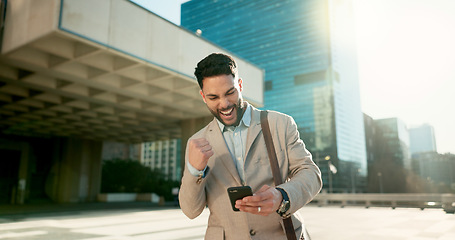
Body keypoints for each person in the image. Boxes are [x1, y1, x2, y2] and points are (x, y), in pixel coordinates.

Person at [179, 53, 322, 240]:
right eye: (213, 97)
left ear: (239, 85)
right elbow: (191, 210)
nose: (224, 104)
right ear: (203, 97)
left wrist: (282, 196)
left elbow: (311, 173)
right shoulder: (197, 142)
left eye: (230, 92)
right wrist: (194, 170)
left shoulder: (280, 124)